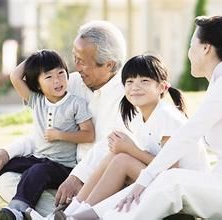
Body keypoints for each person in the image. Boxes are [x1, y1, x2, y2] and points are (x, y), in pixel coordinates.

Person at [101, 15, 222, 219]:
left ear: (206, 48)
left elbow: (187, 135)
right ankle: (91, 214)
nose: (189, 52)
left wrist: (145, 178)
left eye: (191, 44)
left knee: (172, 181)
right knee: (166, 180)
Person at [0, 20, 126, 216]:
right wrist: (7, 152)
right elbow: (44, 133)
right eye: (74, 57)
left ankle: (58, 213)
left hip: (92, 182)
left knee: (36, 176)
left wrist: (78, 177)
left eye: (82, 61)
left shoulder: (126, 95)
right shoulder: (71, 82)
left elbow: (110, 147)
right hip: (55, 174)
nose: (75, 67)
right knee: (5, 178)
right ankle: (39, 211)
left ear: (109, 65)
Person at [45, 54, 209, 220]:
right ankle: (68, 213)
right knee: (116, 156)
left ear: (162, 87)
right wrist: (125, 149)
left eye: (144, 81)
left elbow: (171, 171)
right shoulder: (143, 117)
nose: (135, 87)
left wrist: (132, 150)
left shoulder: (167, 116)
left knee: (123, 159)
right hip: (169, 184)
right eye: (130, 82)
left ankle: (79, 216)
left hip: (185, 191)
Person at [0, 49, 94, 220]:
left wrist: (61, 135)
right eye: (49, 77)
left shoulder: (75, 104)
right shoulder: (36, 100)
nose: (57, 80)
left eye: (61, 73)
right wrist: (37, 56)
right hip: (38, 158)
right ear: (37, 85)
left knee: (37, 171)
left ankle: (18, 210)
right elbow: (15, 77)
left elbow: (89, 134)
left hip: (62, 167)